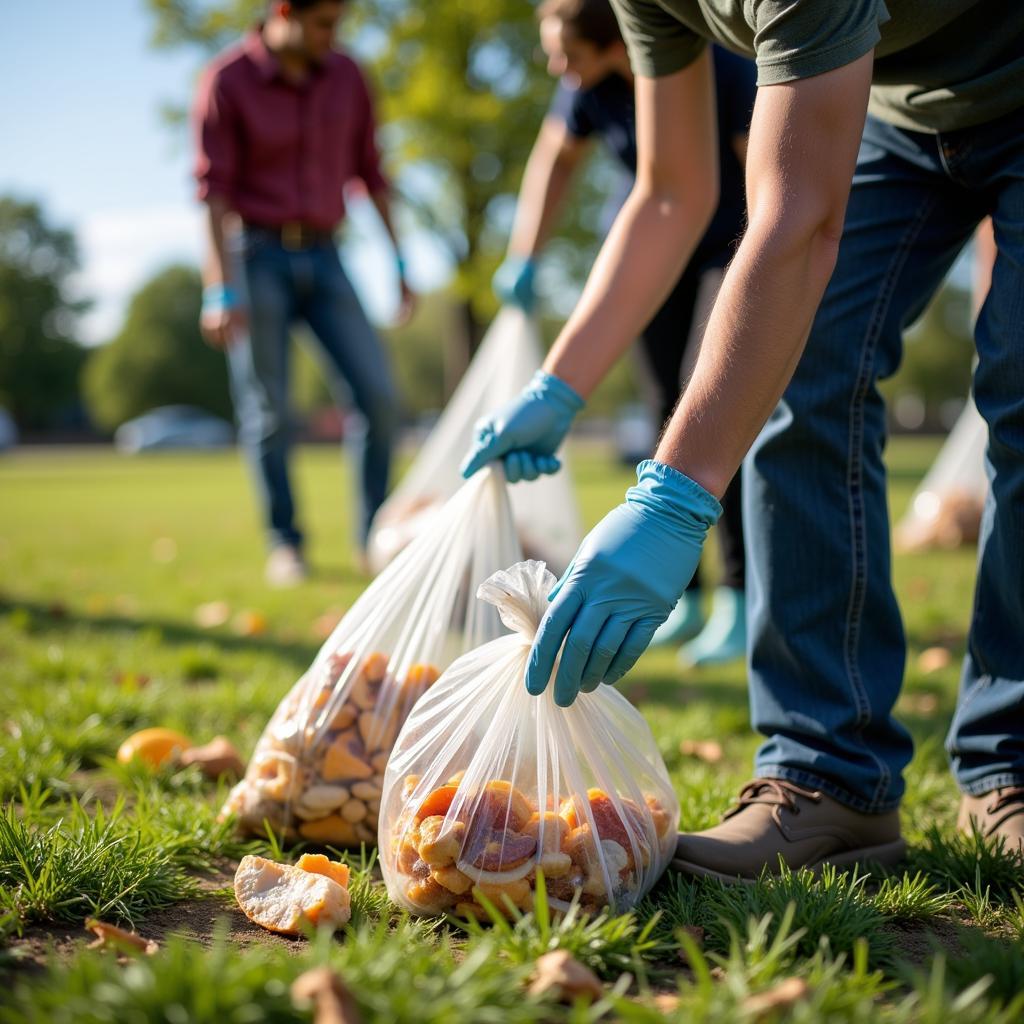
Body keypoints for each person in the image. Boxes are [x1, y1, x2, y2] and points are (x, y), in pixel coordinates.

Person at [463, 0, 1024, 874]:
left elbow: (796, 222)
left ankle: (1012, 763)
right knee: (790, 366)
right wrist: (559, 382)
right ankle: (829, 776)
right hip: (895, 110)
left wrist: (673, 497)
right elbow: (669, 191)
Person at [493, 0, 755, 666]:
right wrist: (525, 253)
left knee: (715, 405)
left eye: (564, 50)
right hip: (654, 251)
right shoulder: (587, 89)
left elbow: (761, 174)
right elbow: (554, 161)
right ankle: (684, 598)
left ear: (612, 40)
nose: (556, 66)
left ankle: (739, 595)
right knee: (665, 404)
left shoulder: (715, 65)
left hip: (730, 244)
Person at [193, 0, 414, 586]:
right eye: (323, 24)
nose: (332, 37)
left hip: (328, 253)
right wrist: (219, 286)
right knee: (267, 411)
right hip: (255, 255)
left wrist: (398, 259)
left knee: (379, 398)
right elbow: (212, 192)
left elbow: (372, 171)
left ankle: (373, 539)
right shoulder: (227, 80)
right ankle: (285, 543)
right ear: (284, 11)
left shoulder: (347, 76)